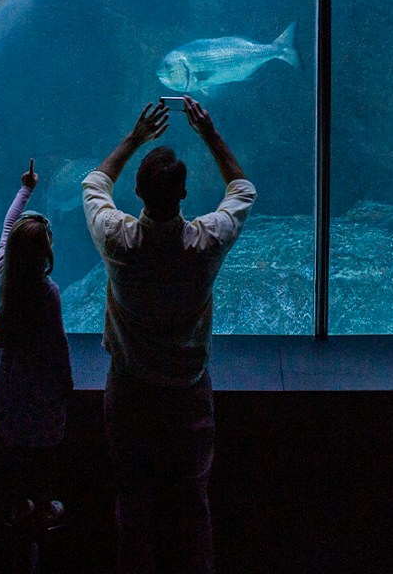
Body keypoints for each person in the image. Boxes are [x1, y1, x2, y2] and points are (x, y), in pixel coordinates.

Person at [82, 96, 254, 574]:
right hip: (187, 392)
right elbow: (241, 190)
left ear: (136, 191)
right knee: (191, 502)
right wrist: (210, 135)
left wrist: (135, 138)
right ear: (183, 195)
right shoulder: (205, 243)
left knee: (133, 501)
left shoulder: (117, 240)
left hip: (130, 389)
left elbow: (95, 184)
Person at [0, 158, 74, 531]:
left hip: (9, 386)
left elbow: (8, 225)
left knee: (13, 454)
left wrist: (26, 188)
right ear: (46, 254)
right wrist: (67, 382)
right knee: (42, 455)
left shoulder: (5, 268)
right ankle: (42, 506)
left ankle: (16, 506)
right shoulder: (48, 293)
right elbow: (58, 345)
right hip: (40, 393)